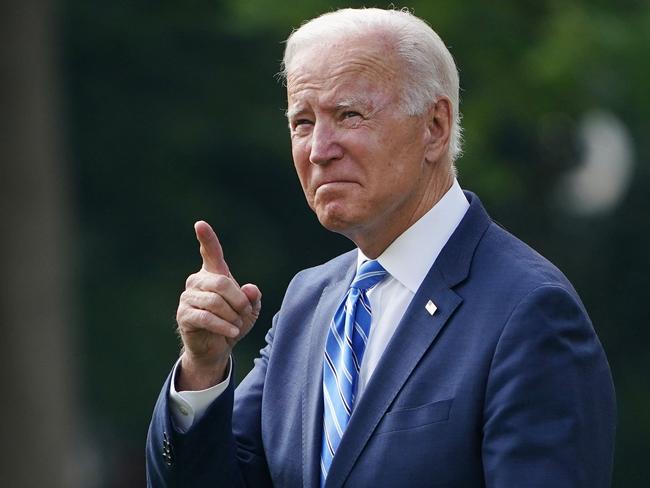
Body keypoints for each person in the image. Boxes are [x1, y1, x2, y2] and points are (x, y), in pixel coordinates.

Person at [146, 8, 616, 487]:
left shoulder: (529, 311)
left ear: (435, 126)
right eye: (303, 122)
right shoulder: (309, 301)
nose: (319, 149)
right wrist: (203, 368)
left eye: (348, 115)